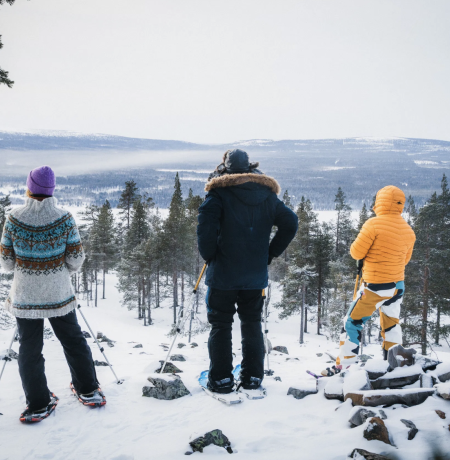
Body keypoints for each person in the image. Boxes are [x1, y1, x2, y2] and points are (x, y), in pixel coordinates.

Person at [0, 166, 106, 423]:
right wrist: (57, 268)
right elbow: (76, 259)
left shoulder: (14, 218)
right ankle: (88, 389)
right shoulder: (64, 218)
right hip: (59, 294)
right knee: (73, 340)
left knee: (30, 348)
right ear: (51, 190)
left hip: (25, 297)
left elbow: (6, 263)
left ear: (29, 187)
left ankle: (38, 404)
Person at [197, 149, 298, 395]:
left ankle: (220, 380)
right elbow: (290, 222)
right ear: (251, 168)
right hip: (254, 275)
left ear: (225, 168)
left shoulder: (218, 193)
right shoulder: (267, 195)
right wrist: (269, 253)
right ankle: (253, 377)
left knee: (221, 324)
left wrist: (210, 255)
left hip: (223, 274)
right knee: (251, 322)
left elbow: (205, 226)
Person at [322, 185, 416, 377]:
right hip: (397, 286)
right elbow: (405, 260)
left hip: (374, 287)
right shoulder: (408, 230)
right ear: (400, 204)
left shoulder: (373, 224)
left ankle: (345, 367)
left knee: (351, 323)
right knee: (391, 324)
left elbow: (356, 252)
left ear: (379, 202)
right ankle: (394, 362)